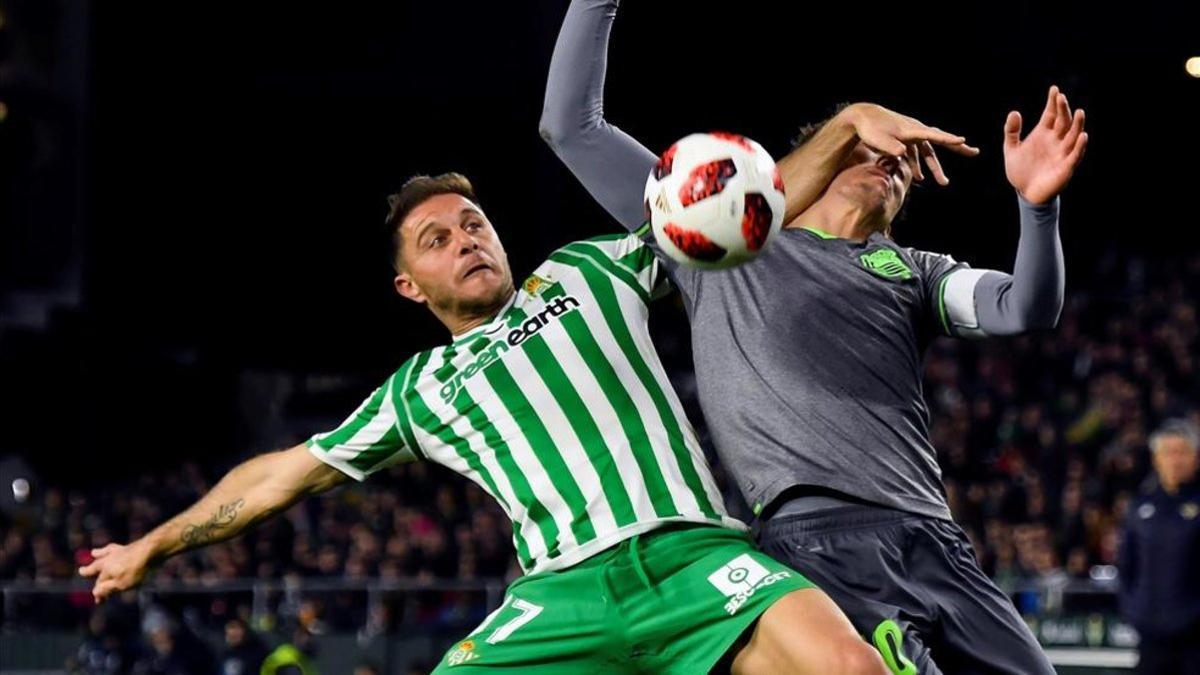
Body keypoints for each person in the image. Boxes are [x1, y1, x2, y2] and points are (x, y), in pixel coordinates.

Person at [79, 172, 887, 673]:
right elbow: (282, 472)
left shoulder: (585, 271)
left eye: (475, 223)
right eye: (438, 238)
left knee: (852, 668)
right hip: (558, 600)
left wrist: (847, 130)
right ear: (408, 286)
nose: (467, 239)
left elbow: (726, 206)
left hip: (695, 555)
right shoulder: (418, 389)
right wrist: (154, 543)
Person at [540, 0, 1088, 671]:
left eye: (907, 164)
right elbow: (572, 127)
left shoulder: (913, 272)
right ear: (825, 155)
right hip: (816, 544)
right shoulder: (717, 243)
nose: (895, 161)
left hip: (938, 540)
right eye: (874, 147)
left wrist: (1038, 207)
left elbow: (1023, 308)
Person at [1119, 420, 1200, 675]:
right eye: (1168, 452)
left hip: (1195, 639)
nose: (1175, 460)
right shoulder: (1139, 507)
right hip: (1150, 635)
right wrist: (1135, 611)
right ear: (1156, 459)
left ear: (1196, 458)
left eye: (1182, 452)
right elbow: (1126, 566)